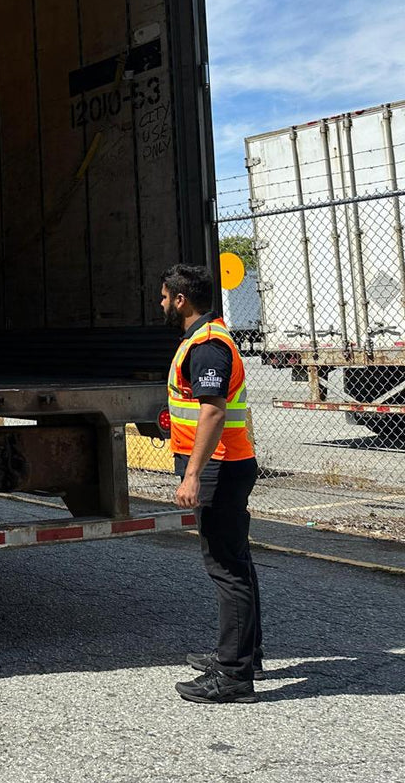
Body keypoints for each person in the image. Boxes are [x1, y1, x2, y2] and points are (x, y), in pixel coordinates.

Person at [160, 263, 263, 704]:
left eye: (164, 296)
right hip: (229, 463)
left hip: (220, 467)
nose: (161, 303)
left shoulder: (206, 346)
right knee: (235, 560)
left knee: (225, 567)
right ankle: (244, 652)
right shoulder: (207, 337)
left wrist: (194, 473)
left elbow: (214, 411)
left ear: (181, 299)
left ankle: (234, 677)